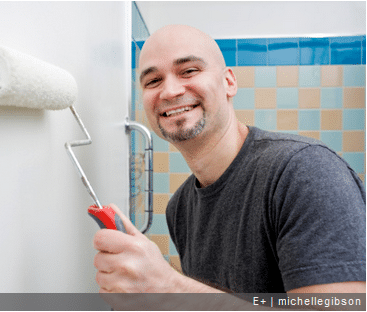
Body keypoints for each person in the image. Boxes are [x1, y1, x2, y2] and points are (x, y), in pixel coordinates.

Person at [93, 24, 366, 297]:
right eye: (153, 81)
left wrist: (172, 289)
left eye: (189, 71)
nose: (170, 91)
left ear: (229, 82)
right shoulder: (180, 208)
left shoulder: (304, 171)